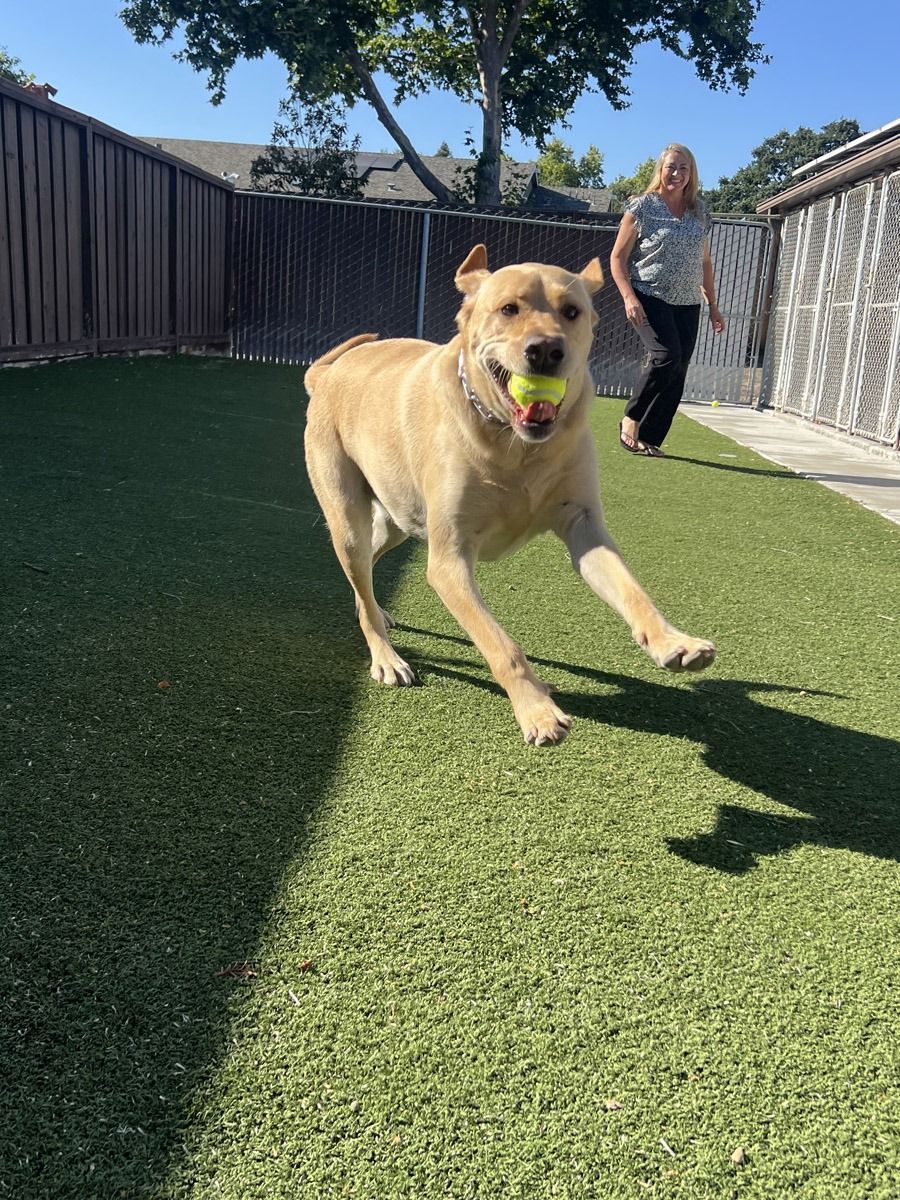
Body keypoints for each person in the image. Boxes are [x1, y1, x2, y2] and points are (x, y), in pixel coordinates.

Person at [609, 143, 725, 456]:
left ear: (691, 174)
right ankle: (631, 418)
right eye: (670, 167)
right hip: (649, 294)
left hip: (688, 302)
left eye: (682, 168)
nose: (675, 173)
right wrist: (628, 297)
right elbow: (618, 258)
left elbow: (705, 263)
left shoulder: (699, 213)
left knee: (679, 367)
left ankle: (650, 436)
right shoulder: (642, 207)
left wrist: (713, 305)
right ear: (660, 169)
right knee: (666, 355)